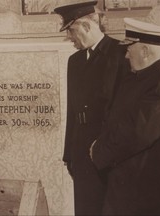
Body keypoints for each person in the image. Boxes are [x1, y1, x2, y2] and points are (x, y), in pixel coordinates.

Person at [90, 18, 160, 215]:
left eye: (129, 49)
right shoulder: (137, 77)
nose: (126, 55)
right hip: (125, 186)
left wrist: (100, 151)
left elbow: (139, 130)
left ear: (144, 51)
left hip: (147, 191)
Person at [54, 1, 129, 215]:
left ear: (87, 25)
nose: (69, 37)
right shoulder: (75, 61)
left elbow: (124, 111)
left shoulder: (120, 54)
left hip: (111, 154)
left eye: (71, 30)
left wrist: (112, 152)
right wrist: (69, 155)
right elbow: (72, 111)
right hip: (81, 156)